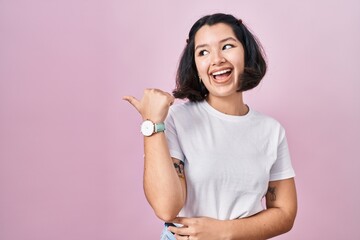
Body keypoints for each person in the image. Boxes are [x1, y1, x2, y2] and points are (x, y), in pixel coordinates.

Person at [123, 13, 297, 240]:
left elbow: (285, 214)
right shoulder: (176, 119)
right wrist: (152, 124)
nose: (216, 59)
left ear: (246, 54)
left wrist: (224, 232)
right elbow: (166, 208)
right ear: (195, 66)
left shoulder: (271, 131)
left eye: (227, 46)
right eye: (203, 52)